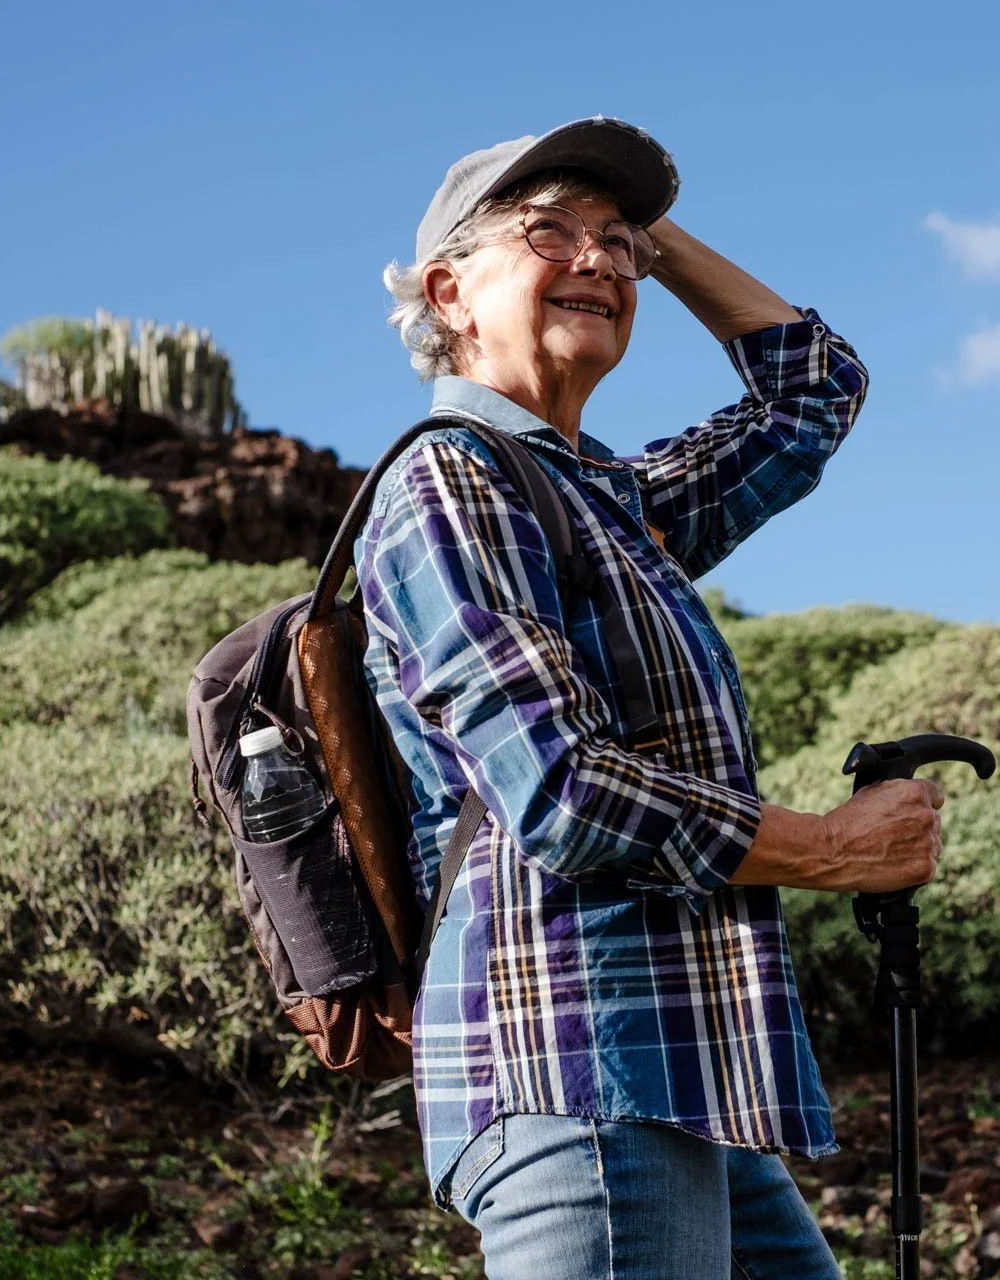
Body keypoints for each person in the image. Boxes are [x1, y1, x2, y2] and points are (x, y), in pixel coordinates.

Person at [359, 117, 944, 1280]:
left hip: (675, 1076)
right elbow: (566, 790)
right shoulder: (450, 480)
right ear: (449, 292)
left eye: (617, 242)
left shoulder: (604, 497)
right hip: (580, 1066)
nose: (599, 260)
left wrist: (647, 239)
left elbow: (810, 396)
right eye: (550, 233)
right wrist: (831, 849)